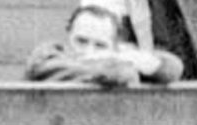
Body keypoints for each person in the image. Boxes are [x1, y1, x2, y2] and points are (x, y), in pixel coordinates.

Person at [26, 4, 183, 86]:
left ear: (115, 47)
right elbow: (122, 74)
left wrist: (128, 58)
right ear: (68, 36)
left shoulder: (117, 60)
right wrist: (115, 63)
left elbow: (173, 68)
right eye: (81, 41)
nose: (89, 52)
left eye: (100, 45)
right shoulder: (47, 57)